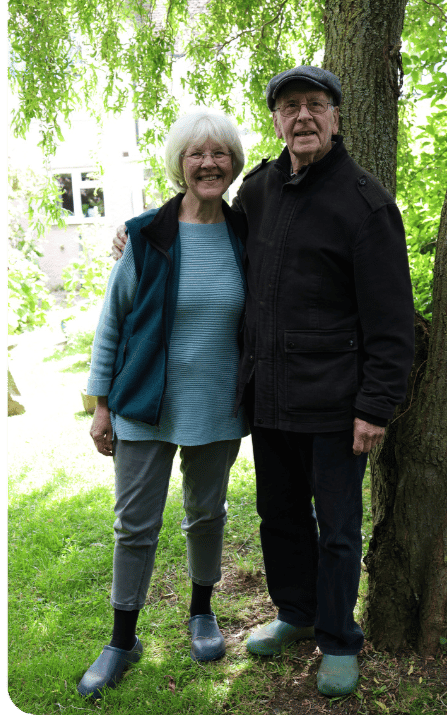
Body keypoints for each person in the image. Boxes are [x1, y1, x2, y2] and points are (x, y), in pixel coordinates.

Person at [113, 66, 415, 697]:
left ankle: (339, 639)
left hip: (337, 403)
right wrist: (137, 230)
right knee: (279, 516)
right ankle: (296, 614)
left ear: (335, 116)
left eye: (315, 105)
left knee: (337, 529)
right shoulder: (260, 190)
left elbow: (391, 322)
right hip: (270, 398)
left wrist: (375, 407)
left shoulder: (366, 204)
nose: (303, 117)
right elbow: (201, 223)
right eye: (290, 107)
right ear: (276, 122)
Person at [77, 111, 249, 700]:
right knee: (135, 525)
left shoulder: (247, 232)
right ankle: (121, 640)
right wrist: (101, 406)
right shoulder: (146, 235)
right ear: (179, 163)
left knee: (207, 513)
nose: (209, 163)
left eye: (220, 153)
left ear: (234, 164)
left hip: (218, 406)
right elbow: (112, 323)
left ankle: (202, 611)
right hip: (143, 404)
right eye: (196, 154)